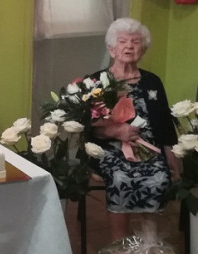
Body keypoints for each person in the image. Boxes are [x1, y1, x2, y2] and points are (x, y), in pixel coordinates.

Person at [82, 18, 180, 241]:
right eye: (123, 41)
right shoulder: (96, 82)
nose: (129, 46)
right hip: (108, 147)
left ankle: (148, 241)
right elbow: (87, 125)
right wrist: (116, 132)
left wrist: (170, 154)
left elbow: (164, 122)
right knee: (121, 177)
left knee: (158, 177)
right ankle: (120, 243)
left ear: (142, 50)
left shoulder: (152, 81)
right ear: (112, 49)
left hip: (148, 146)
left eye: (135, 42)